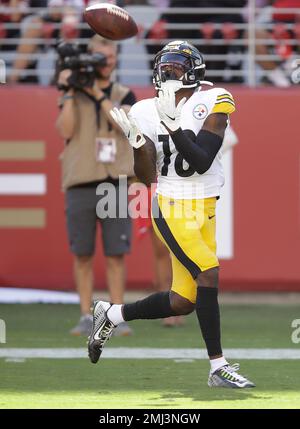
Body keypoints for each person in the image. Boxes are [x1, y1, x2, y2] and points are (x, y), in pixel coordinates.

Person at [88, 40, 255, 388]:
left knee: (183, 301)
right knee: (208, 272)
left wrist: (174, 125)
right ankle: (217, 366)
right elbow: (148, 176)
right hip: (172, 204)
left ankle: (112, 313)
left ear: (195, 71)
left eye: (177, 67)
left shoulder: (214, 99)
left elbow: (201, 160)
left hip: (205, 206)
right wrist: (137, 143)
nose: (169, 73)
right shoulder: (144, 110)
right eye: (165, 68)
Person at [56, 35, 136, 337]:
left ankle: (116, 316)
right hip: (80, 181)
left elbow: (123, 125)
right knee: (83, 254)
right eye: (102, 57)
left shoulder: (125, 94)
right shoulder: (73, 94)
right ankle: (86, 315)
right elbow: (65, 130)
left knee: (116, 253)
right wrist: (67, 91)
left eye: (112, 55)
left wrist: (97, 95)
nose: (108, 61)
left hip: (114, 182)